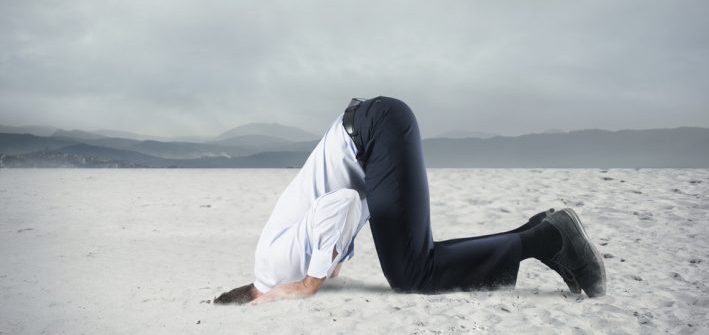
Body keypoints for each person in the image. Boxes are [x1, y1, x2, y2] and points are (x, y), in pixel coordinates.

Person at [214, 96, 606, 305]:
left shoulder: (275, 270)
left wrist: (311, 282)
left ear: (256, 302)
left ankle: (548, 239)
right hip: (374, 128)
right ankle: (539, 231)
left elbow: (344, 203)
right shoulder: (273, 264)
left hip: (373, 132)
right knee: (416, 260)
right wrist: (328, 264)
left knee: (410, 274)